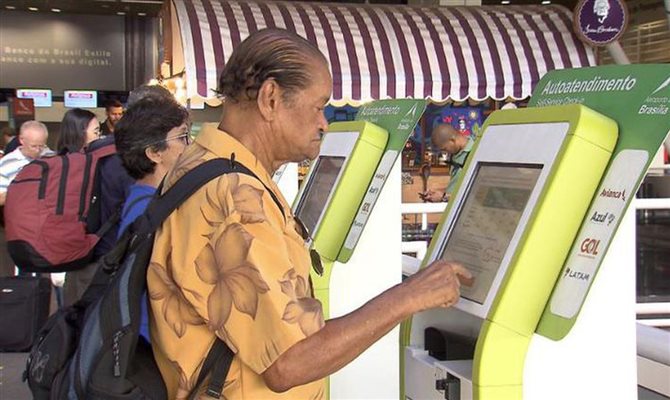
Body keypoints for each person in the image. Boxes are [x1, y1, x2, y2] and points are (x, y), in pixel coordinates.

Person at [148, 28, 472, 399]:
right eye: (318, 106)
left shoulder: (202, 164)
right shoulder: (234, 197)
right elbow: (290, 362)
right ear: (270, 98)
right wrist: (411, 295)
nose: (323, 123)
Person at [419, 124, 475, 203]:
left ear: (452, 140)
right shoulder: (454, 155)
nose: (445, 152)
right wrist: (440, 193)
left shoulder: (476, 151)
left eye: (445, 149)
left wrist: (444, 197)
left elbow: (476, 191)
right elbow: (456, 187)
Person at [0, 121, 49, 206]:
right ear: (21, 140)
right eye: (33, 146)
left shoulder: (51, 158)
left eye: (41, 146)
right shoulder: (6, 163)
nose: (38, 150)